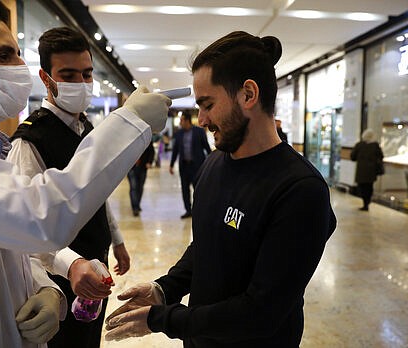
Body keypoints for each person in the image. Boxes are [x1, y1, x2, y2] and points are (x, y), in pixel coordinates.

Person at [0, 1, 170, 347]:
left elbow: (6, 241)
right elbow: (39, 216)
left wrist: (46, 289)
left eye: (17, 54)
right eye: (3, 57)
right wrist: (129, 122)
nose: (20, 67)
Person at [104, 31, 337, 347]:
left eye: (208, 104)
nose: (201, 119)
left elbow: (262, 312)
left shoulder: (300, 190)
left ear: (248, 94)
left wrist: (161, 319)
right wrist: (164, 289)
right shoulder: (215, 164)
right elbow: (207, 245)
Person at [7, 27, 132, 347]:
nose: (81, 83)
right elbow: (27, 225)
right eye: (68, 74)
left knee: (90, 336)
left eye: (87, 74)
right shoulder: (31, 139)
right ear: (46, 78)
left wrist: (116, 239)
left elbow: (97, 191)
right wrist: (70, 263)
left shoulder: (87, 127)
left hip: (94, 259)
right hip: (55, 277)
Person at [169, 112, 212, 219]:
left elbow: (206, 147)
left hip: (197, 166)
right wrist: (171, 164)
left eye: (182, 120)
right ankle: (188, 210)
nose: (180, 122)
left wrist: (212, 161)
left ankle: (199, 210)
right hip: (184, 166)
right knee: (185, 190)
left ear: (187, 120)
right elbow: (175, 150)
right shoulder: (179, 134)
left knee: (198, 189)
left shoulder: (199, 132)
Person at [350, 128, 384, 211]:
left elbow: (353, 157)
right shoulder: (375, 145)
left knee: (362, 187)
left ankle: (365, 203)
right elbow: (381, 156)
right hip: (371, 171)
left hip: (361, 171)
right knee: (369, 186)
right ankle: (367, 202)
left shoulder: (359, 145)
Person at [127, 141, 155, 216]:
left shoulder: (145, 137)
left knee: (140, 187)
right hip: (131, 167)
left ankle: (137, 204)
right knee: (133, 187)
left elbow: (151, 151)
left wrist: (149, 162)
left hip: (143, 166)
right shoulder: (127, 139)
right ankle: (135, 207)